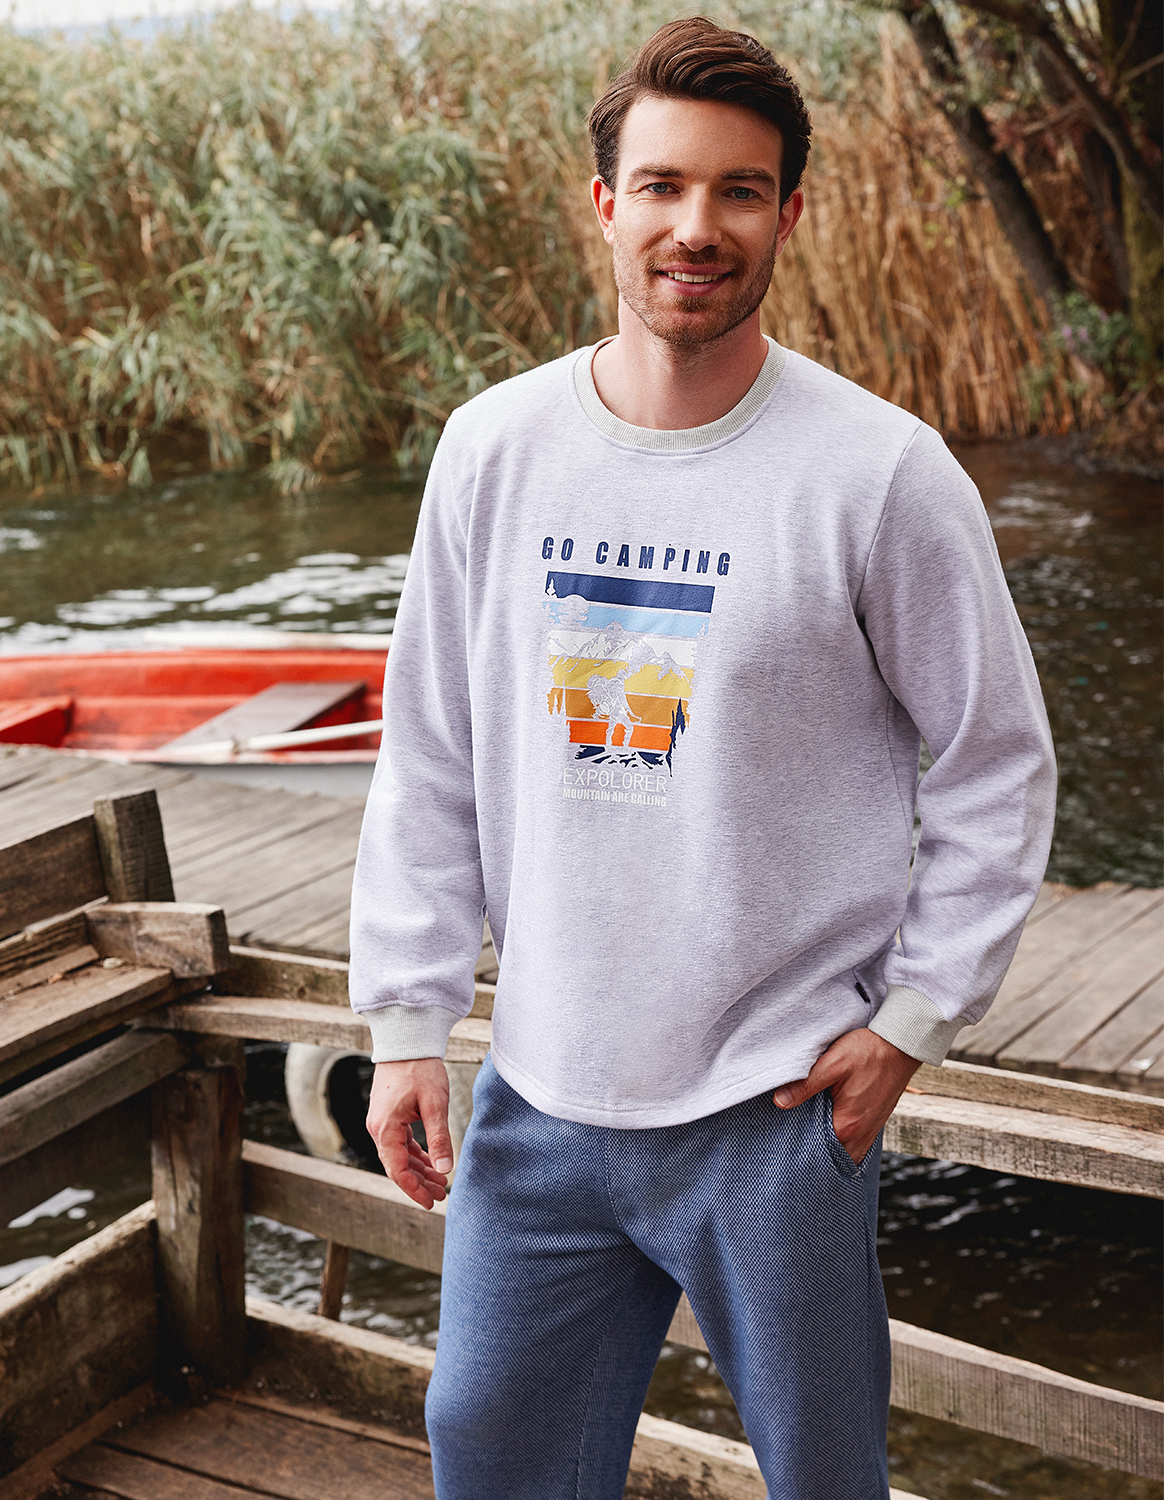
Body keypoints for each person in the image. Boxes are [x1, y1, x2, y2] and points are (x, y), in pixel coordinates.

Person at [348, 16, 1056, 1499]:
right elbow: (430, 750)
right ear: (605, 204)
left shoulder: (880, 475)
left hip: (774, 1108)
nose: (697, 226)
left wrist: (916, 1017)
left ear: (788, 214)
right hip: (539, 1094)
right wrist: (408, 1016)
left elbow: (995, 762)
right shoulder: (492, 449)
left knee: (821, 1475)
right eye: (664, 186)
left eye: (740, 191)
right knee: (488, 1452)